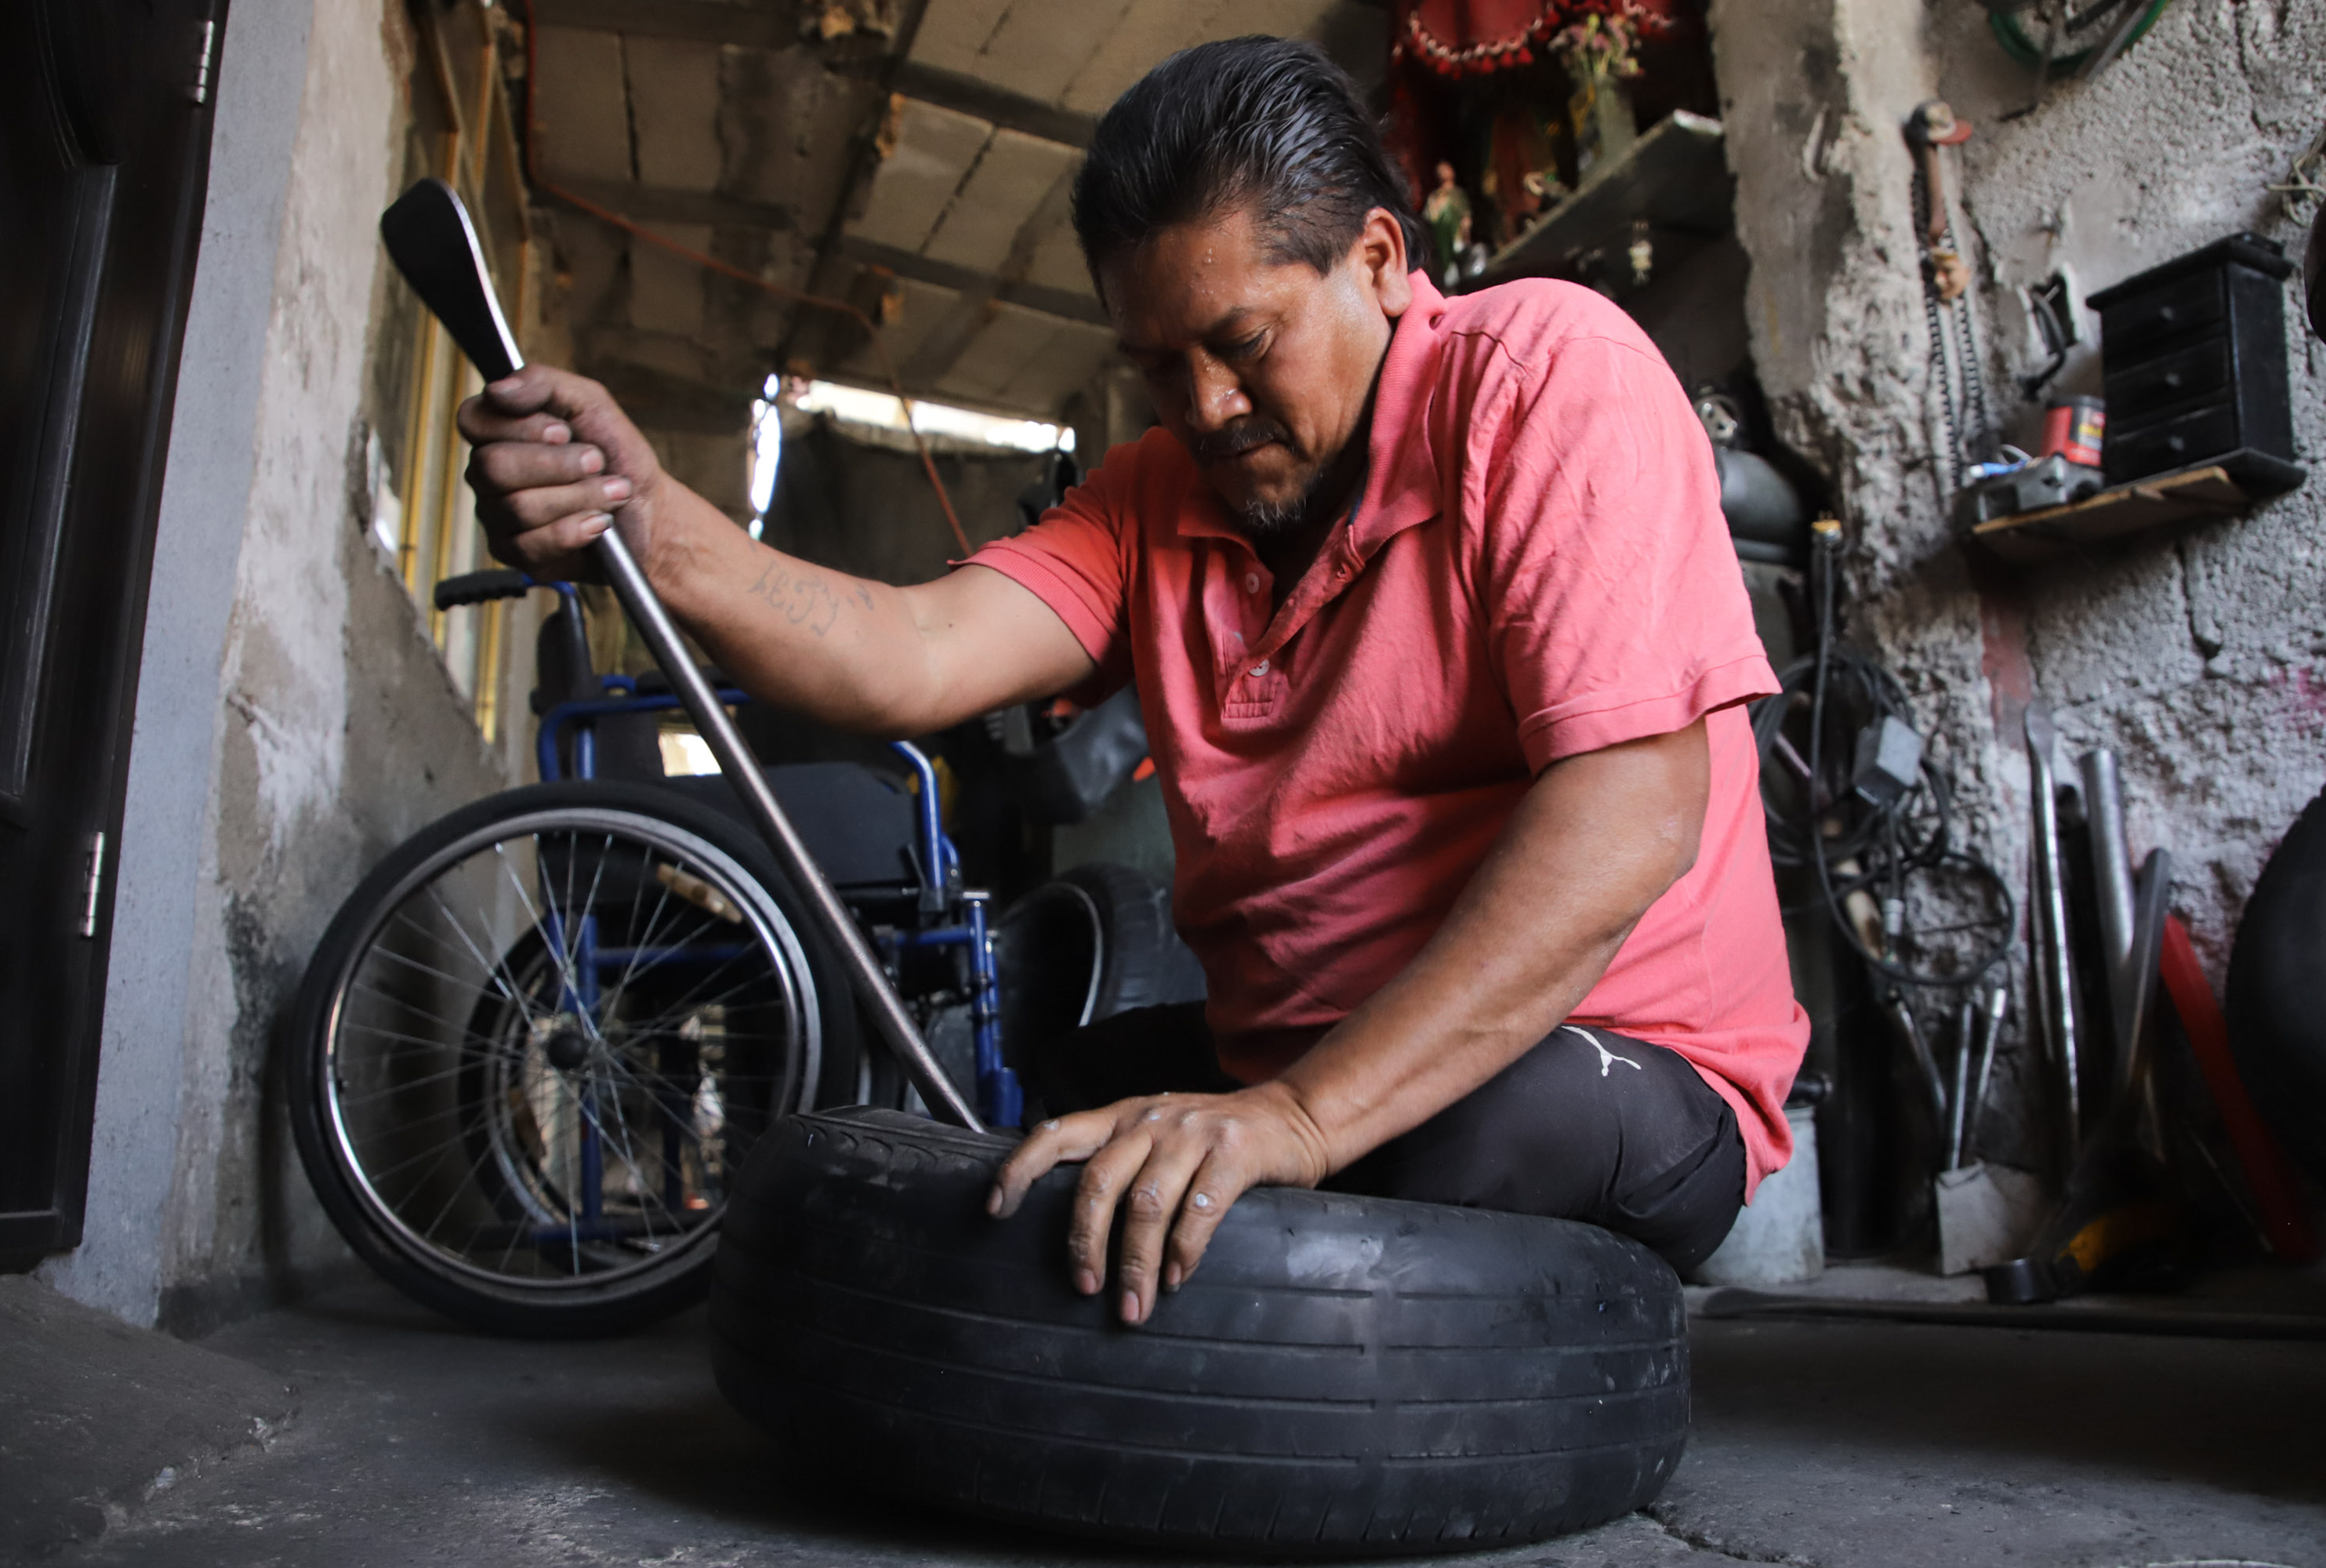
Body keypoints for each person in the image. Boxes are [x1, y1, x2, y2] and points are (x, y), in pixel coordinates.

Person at [457, 36, 1805, 1328]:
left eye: (1243, 341)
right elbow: (911, 652)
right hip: (1288, 1062)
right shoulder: (1158, 495)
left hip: (1613, 1061)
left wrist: (1301, 1120)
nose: (1205, 405)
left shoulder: (1547, 381)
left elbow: (1628, 814)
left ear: (1380, 262)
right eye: (1160, 364)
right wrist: (649, 524)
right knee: (975, 1162)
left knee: (1429, 1147)